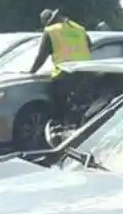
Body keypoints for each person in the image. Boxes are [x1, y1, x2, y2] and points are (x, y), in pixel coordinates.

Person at [27, 9, 93, 141]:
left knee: (61, 110)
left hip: (64, 74)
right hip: (85, 73)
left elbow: (41, 56)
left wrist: (31, 72)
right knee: (81, 107)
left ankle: (61, 136)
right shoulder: (79, 28)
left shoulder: (51, 31)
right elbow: (89, 46)